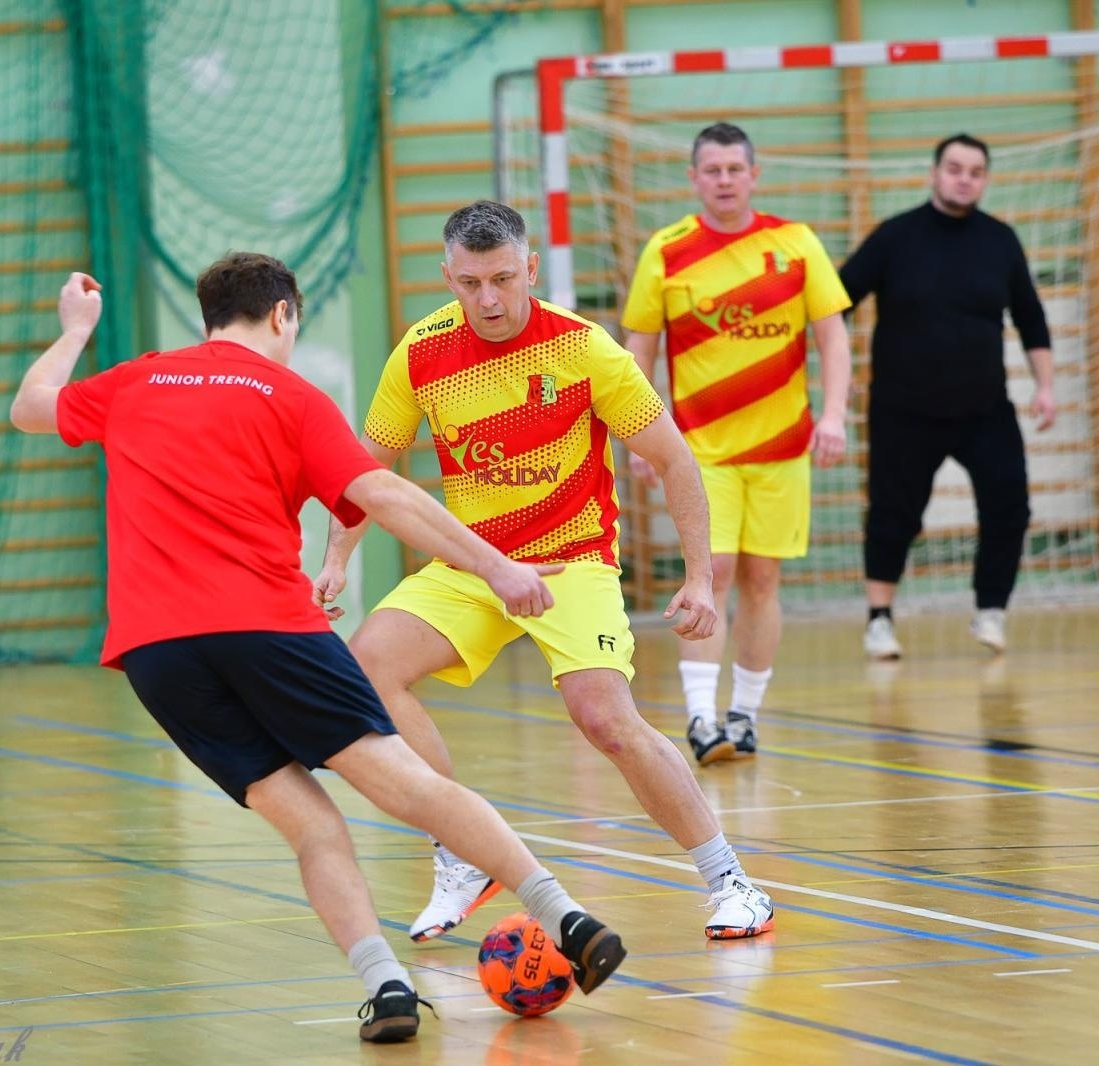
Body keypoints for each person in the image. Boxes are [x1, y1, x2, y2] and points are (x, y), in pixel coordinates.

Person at [8, 254, 625, 1045]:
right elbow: (387, 493)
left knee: (310, 826)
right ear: (282, 317)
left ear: (209, 317)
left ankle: (386, 987)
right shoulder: (291, 396)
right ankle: (565, 919)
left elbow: (30, 406)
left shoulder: (136, 381)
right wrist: (497, 566)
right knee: (407, 784)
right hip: (267, 626)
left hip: (158, 651)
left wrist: (74, 332)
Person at [316, 201, 777, 945]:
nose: (488, 300)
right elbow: (368, 471)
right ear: (448, 278)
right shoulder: (421, 353)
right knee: (366, 670)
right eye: (470, 283)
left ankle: (732, 882)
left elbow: (672, 459)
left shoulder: (583, 349)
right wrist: (337, 558)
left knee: (605, 720)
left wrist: (699, 578)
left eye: (502, 278)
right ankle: (462, 853)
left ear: (530, 268)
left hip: (572, 559)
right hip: (473, 565)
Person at [619, 122, 852, 765]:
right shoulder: (666, 252)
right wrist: (640, 435)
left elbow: (833, 336)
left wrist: (832, 415)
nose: (724, 180)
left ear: (755, 174)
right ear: (694, 179)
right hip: (700, 450)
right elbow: (640, 348)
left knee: (762, 578)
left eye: (734, 169)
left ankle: (744, 716)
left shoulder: (796, 243)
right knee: (711, 572)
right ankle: (700, 720)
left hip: (782, 448)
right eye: (712, 170)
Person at [837, 133, 1056, 659]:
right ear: (934, 173)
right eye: (954, 168)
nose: (964, 178)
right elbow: (835, 302)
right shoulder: (895, 237)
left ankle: (991, 612)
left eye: (975, 171)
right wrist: (840, 375)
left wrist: (1045, 385)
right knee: (894, 513)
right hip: (902, 409)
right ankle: (879, 619)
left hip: (984, 408)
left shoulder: (1001, 241)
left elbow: (1030, 318)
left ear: (985, 179)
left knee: (1011, 507)